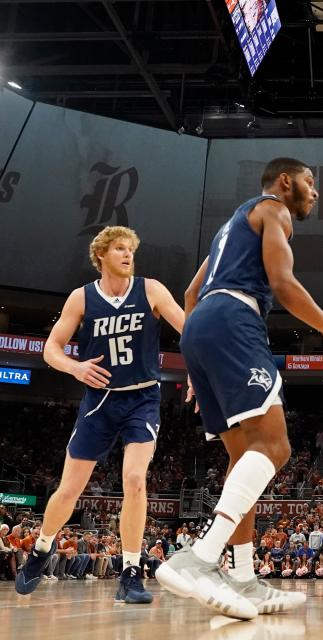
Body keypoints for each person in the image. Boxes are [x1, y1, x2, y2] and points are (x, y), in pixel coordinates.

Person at [156, 157, 323, 619]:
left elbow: (189, 295)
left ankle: (244, 577)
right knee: (275, 445)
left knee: (243, 458)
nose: (316, 192)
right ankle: (200, 557)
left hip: (201, 326)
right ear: (285, 182)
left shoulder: (229, 228)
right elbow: (282, 285)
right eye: (310, 182)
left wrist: (196, 358)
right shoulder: (272, 210)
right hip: (233, 320)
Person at [15, 226, 184, 605]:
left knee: (136, 479)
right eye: (120, 249)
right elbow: (51, 349)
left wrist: (205, 371)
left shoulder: (151, 290)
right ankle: (42, 549)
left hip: (142, 397)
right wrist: (74, 368)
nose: (128, 255)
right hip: (99, 401)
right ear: (102, 255)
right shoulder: (82, 298)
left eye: (131, 250)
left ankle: (130, 574)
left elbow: (188, 329)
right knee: (69, 489)